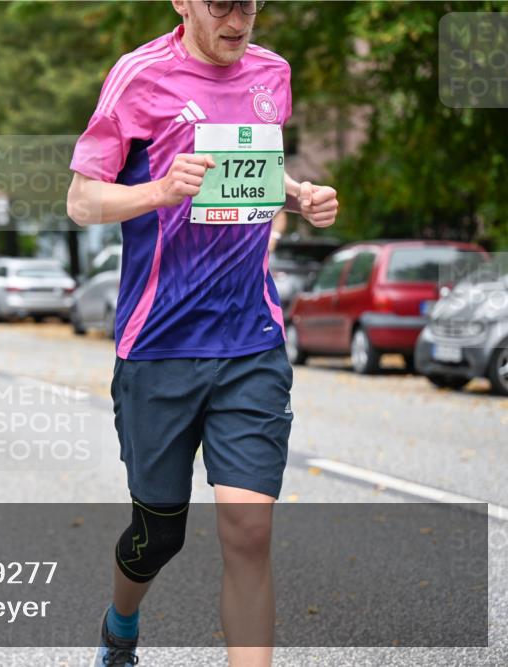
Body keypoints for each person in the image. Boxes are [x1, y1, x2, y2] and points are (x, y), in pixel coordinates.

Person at [65, 2, 339, 666]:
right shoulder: (139, 75)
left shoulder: (272, 73)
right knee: (158, 535)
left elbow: (254, 171)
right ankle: (120, 624)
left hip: (251, 341)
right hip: (159, 345)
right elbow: (82, 200)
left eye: (248, 2)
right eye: (220, 4)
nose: (238, 17)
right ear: (183, 2)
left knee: (249, 528)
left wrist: (299, 195)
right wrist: (158, 191)